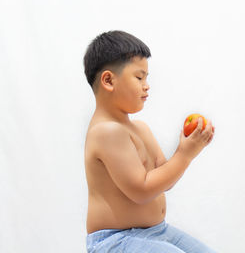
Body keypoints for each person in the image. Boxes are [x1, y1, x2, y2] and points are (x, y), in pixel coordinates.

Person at [83, 30, 217, 253]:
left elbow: (165, 179)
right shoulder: (106, 132)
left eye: (147, 77)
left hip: (157, 231)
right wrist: (185, 155)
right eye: (139, 77)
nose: (147, 85)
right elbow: (142, 190)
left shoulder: (140, 129)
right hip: (115, 241)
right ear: (108, 80)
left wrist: (188, 147)